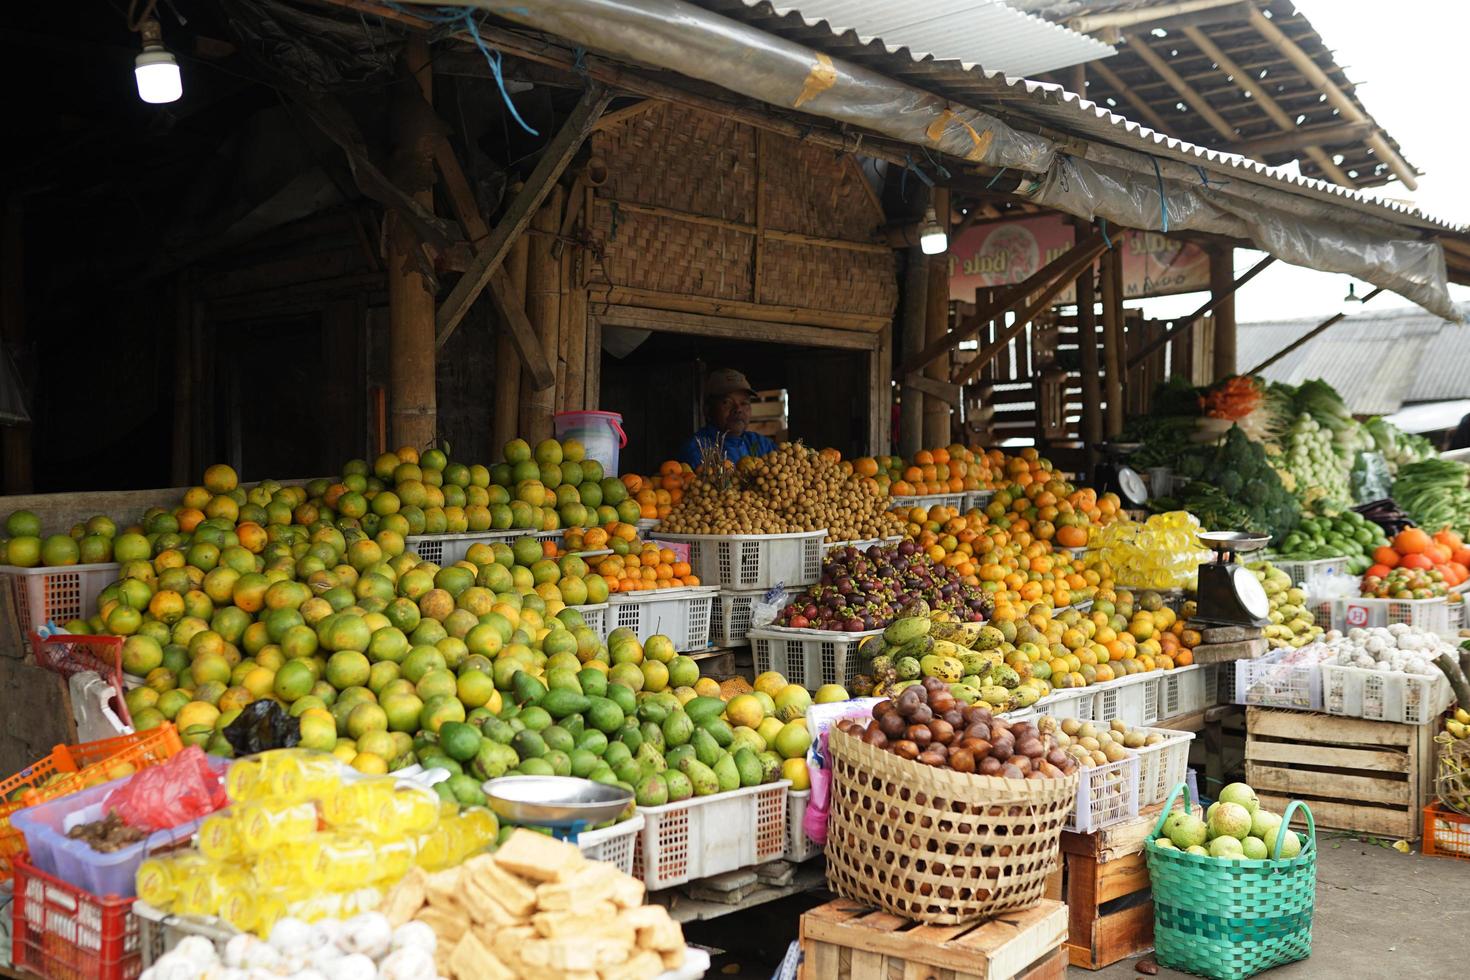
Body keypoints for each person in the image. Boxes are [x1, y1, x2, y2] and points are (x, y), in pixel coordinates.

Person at [677, 368, 777, 467]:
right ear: (708, 410)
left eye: (744, 403)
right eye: (727, 402)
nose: (738, 409)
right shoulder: (697, 449)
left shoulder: (762, 445)